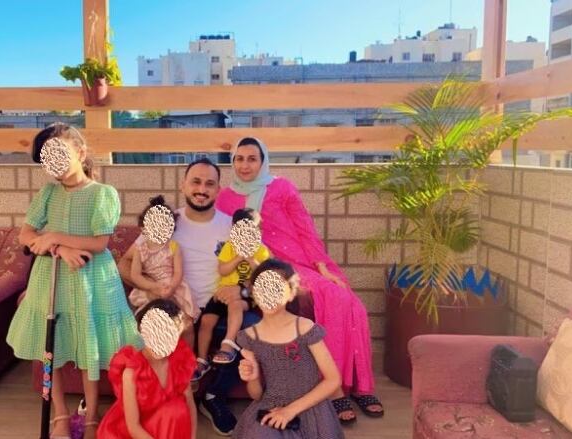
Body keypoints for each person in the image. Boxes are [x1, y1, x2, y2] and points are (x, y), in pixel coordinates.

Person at [215, 137, 384, 424]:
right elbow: (221, 242)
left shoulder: (281, 187)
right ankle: (334, 392)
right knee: (313, 298)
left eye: (251, 158)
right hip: (257, 265)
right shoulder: (225, 198)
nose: (245, 165)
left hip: (295, 261)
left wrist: (322, 267)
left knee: (343, 298)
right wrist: (225, 280)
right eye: (239, 159)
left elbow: (305, 228)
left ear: (263, 160)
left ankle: (357, 384)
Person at [6, 123, 141, 439]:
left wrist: (52, 236)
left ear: (79, 152)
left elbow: (99, 243)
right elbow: (26, 235)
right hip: (50, 279)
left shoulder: (102, 194)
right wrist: (59, 246)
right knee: (50, 345)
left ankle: (91, 415)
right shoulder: (48, 193)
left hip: (90, 280)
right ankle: (61, 416)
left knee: (87, 347)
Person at [118, 158, 255, 436]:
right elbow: (124, 264)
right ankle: (151, 402)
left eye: (209, 184)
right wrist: (154, 289)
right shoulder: (167, 223)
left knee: (253, 325)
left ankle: (214, 395)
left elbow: (255, 269)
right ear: (183, 185)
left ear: (218, 190)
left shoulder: (232, 226)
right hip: (174, 307)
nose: (201, 189)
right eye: (196, 181)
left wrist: (241, 291)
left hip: (219, 308)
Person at [233, 259, 344, 439]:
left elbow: (333, 380)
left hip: (310, 409)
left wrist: (290, 411)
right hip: (270, 406)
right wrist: (252, 378)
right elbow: (256, 394)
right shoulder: (250, 336)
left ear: (291, 292)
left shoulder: (305, 329)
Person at [97, 299, 197, 439]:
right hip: (135, 433)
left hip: (166, 424)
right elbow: (133, 427)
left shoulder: (178, 361)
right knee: (171, 412)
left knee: (176, 409)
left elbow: (190, 406)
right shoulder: (132, 372)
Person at [194, 207, 271, 380]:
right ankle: (201, 360)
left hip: (245, 296)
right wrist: (238, 257)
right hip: (222, 294)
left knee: (236, 305)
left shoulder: (261, 250)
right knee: (206, 320)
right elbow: (222, 270)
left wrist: (250, 258)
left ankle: (228, 344)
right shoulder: (229, 247)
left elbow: (263, 274)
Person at [128, 195, 198, 346]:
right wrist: (153, 287)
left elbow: (178, 272)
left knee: (187, 324)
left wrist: (171, 287)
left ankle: (188, 358)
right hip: (150, 287)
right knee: (150, 323)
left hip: (173, 287)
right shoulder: (140, 249)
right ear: (143, 228)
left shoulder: (173, 247)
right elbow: (135, 275)